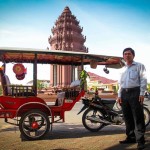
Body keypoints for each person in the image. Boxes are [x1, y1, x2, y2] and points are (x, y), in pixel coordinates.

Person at [116, 47, 147, 150]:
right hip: (124, 93)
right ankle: (130, 137)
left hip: (135, 92)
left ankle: (141, 141)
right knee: (127, 117)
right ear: (123, 56)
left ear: (133, 55)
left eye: (129, 53)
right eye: (125, 54)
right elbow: (120, 84)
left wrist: (142, 93)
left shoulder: (139, 66)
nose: (127, 55)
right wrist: (119, 95)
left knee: (138, 117)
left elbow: (143, 79)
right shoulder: (122, 69)